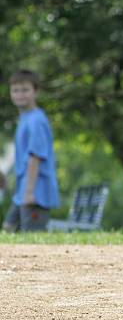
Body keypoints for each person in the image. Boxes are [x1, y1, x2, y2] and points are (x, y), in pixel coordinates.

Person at [2, 70, 60, 232]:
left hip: (35, 193)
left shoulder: (36, 120)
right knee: (8, 227)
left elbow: (35, 157)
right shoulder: (25, 119)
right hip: (22, 192)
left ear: (36, 91)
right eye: (15, 90)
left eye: (25, 90)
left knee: (31, 238)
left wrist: (29, 193)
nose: (20, 95)